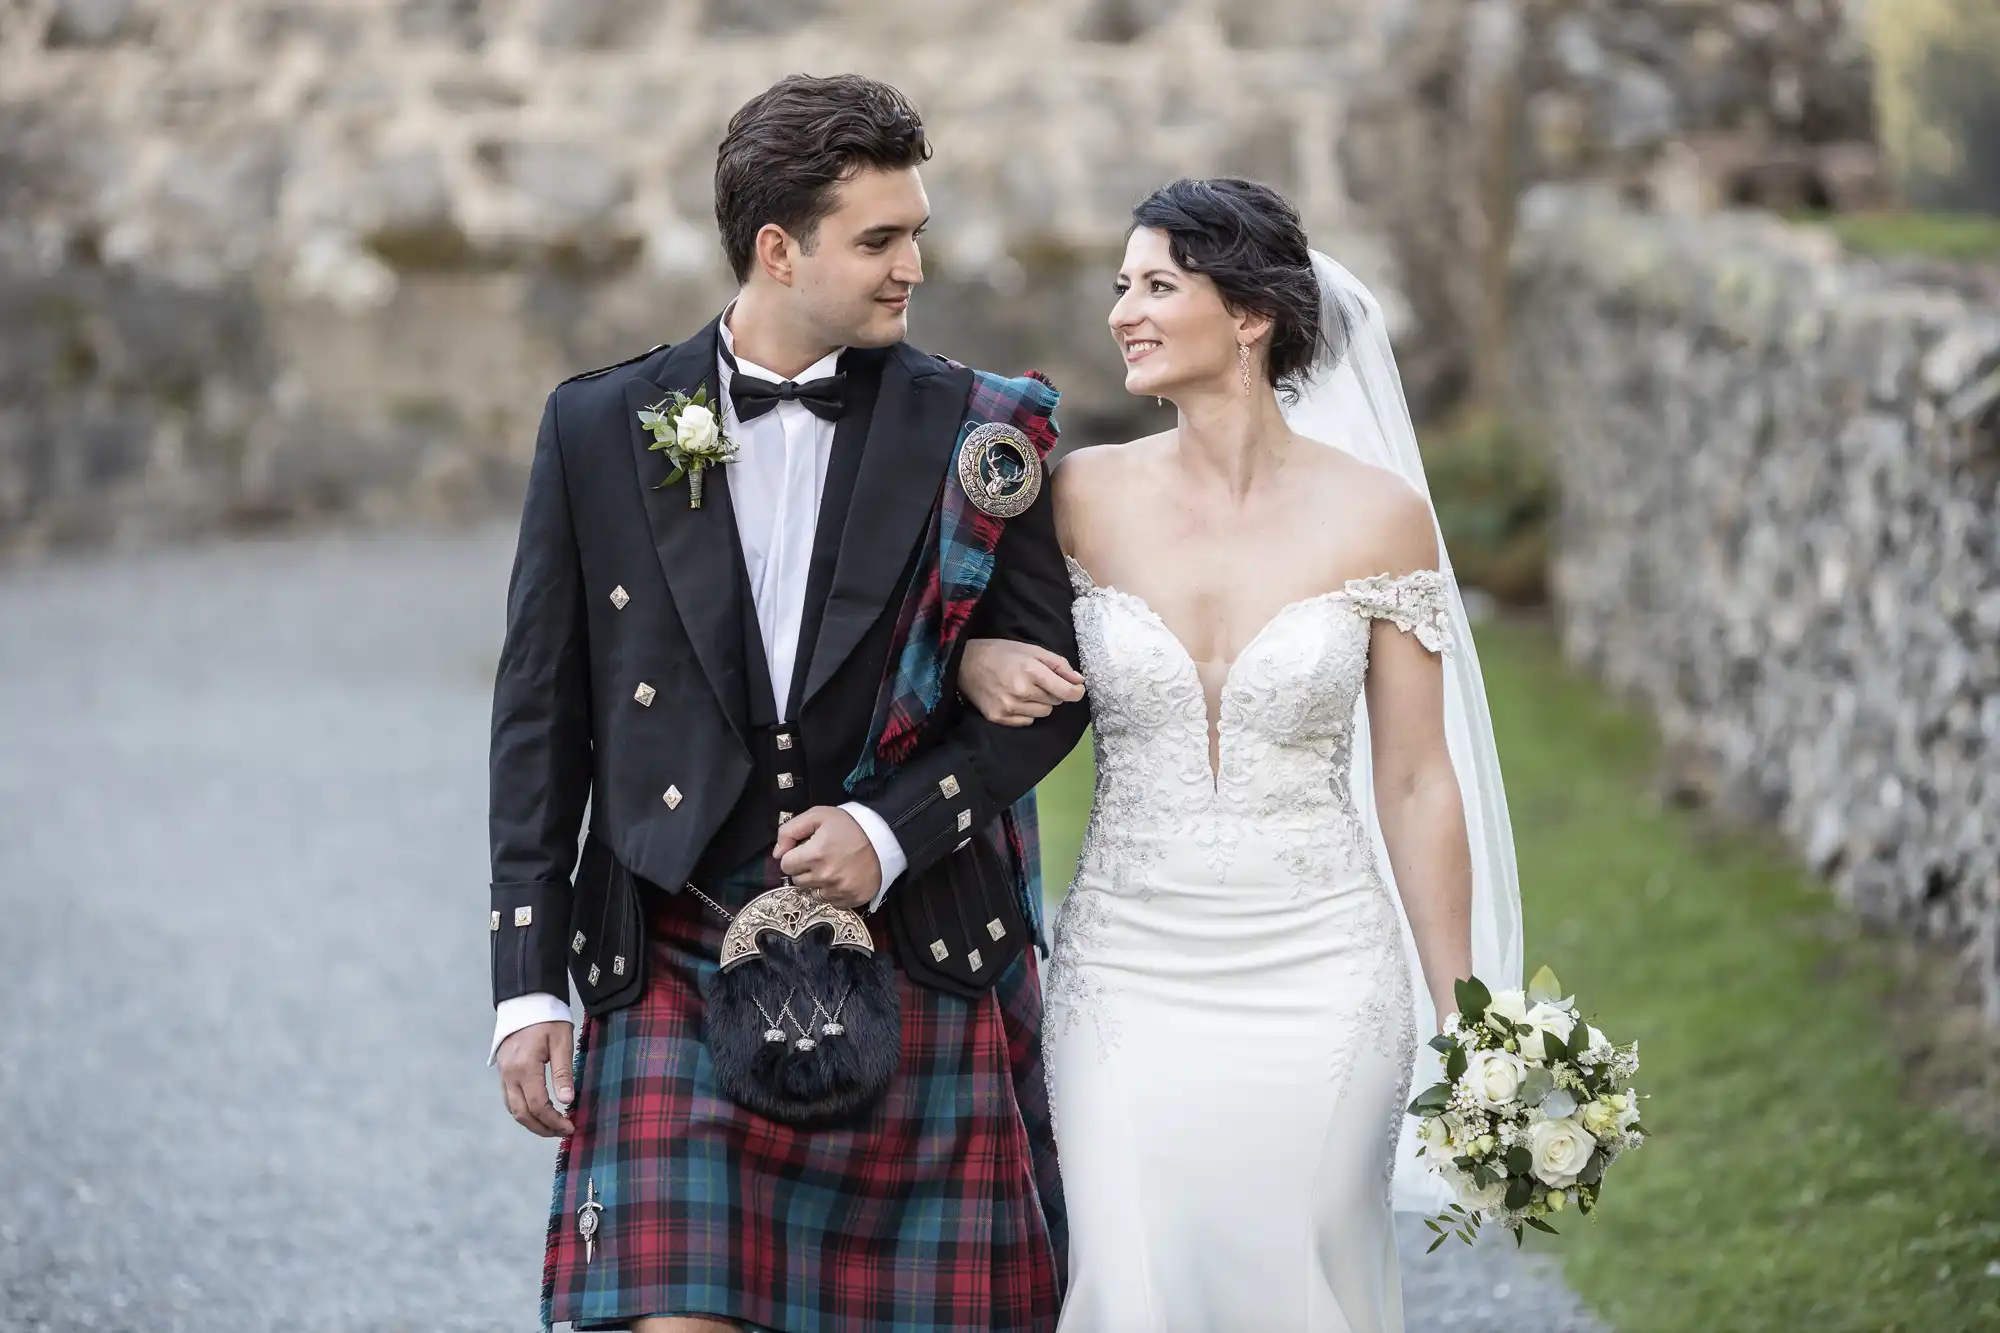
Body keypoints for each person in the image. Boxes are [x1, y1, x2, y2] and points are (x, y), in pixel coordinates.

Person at [486, 74, 1088, 1333]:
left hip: (911, 939)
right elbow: (543, 715)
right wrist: (527, 983)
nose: (910, 266)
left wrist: (888, 830)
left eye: (915, 230)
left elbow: (1047, 695)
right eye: (879, 238)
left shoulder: (980, 430)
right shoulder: (602, 426)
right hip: (670, 939)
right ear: (777, 247)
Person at [956, 178, 1525, 1332]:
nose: (1125, 311)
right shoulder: (1075, 496)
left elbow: (1414, 777)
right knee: (1128, 1286)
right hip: (1127, 972)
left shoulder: (1378, 517)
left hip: (1321, 971)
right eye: (1122, 287)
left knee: (1299, 1284)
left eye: (1158, 285)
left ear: (1250, 313)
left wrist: (1467, 1010)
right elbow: (959, 649)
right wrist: (977, 668)